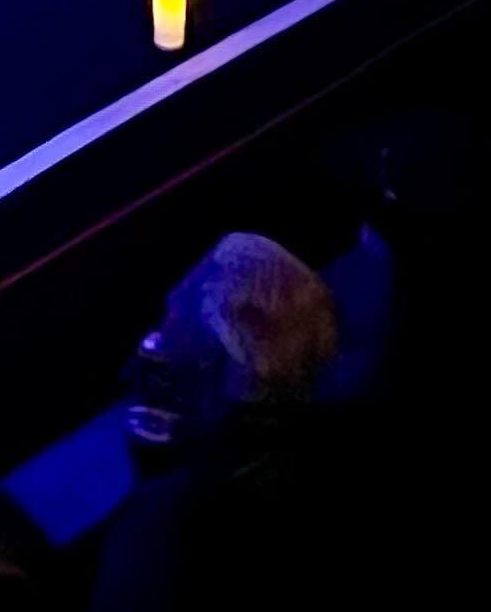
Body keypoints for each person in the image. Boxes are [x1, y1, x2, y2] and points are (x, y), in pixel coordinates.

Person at [91, 231, 360, 609]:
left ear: (223, 367)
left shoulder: (164, 524)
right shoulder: (339, 447)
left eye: (171, 325)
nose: (146, 352)